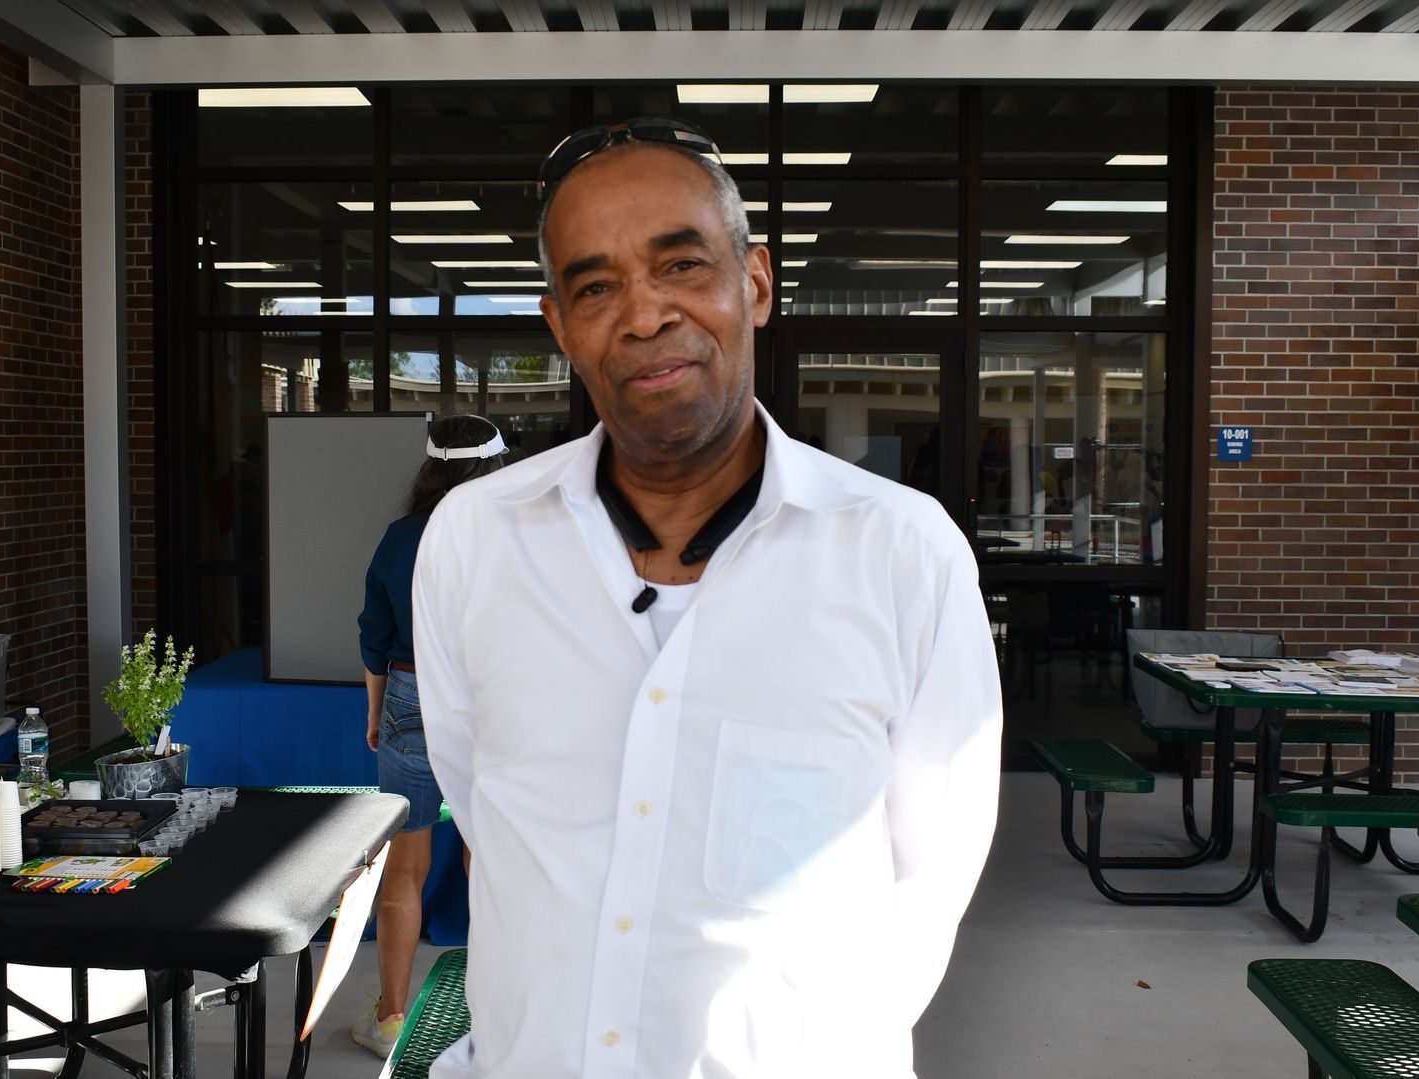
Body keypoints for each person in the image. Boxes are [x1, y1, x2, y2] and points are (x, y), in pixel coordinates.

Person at [410, 118, 1003, 1078]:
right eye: (595, 287)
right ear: (559, 326)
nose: (644, 315)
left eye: (681, 265)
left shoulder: (901, 552)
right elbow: (483, 807)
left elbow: (929, 880)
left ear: (755, 283)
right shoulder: (476, 542)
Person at [350, 413, 507, 1058]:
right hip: (491, 700)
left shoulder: (400, 537)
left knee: (406, 864)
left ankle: (390, 1019)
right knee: (488, 863)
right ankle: (496, 1020)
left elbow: (375, 635)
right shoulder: (513, 532)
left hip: (410, 693)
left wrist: (375, 713)